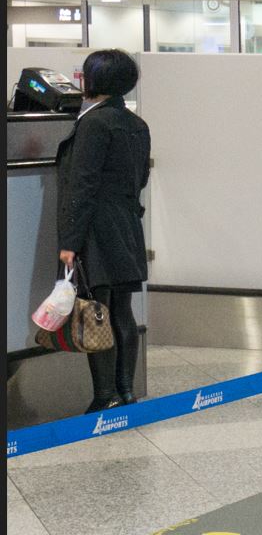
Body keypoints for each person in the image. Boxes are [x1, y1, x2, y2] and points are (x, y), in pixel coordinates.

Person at [57, 50, 151, 413]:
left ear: (93, 81)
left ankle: (104, 395)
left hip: (97, 226)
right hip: (126, 223)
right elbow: (139, 177)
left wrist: (70, 242)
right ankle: (126, 392)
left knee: (98, 309)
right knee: (122, 310)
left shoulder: (94, 123)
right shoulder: (135, 123)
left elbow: (82, 185)